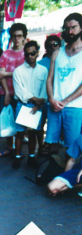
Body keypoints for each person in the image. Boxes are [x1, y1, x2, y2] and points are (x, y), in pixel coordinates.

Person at [46, 13, 82, 158]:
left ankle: (67, 178)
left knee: (71, 146)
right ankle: (51, 173)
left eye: (73, 27)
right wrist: (51, 99)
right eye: (67, 28)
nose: (70, 31)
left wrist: (65, 101)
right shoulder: (57, 53)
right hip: (54, 105)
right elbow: (49, 80)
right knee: (51, 144)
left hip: (75, 107)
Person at [12, 40, 48, 170]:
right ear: (24, 55)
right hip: (22, 105)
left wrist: (38, 105)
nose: (30, 56)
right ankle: (17, 157)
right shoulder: (18, 71)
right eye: (27, 54)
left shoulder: (43, 71)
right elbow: (19, 91)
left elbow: (45, 89)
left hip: (37, 107)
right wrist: (34, 99)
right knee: (20, 133)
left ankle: (31, 157)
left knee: (33, 133)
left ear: (37, 53)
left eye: (32, 53)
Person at [0, 23, 27, 157]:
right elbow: (0, 75)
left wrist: (9, 73)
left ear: (24, 37)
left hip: (23, 94)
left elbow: (25, 74)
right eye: (14, 36)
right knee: (8, 121)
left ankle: (19, 151)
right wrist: (7, 93)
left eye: (19, 36)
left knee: (21, 123)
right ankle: (10, 147)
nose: (16, 39)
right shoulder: (6, 54)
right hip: (8, 92)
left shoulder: (27, 53)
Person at [38, 35, 61, 156]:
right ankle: (41, 146)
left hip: (56, 100)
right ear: (46, 47)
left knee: (55, 128)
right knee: (40, 126)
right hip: (43, 100)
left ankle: (52, 150)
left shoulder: (62, 60)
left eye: (55, 45)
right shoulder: (41, 63)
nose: (52, 47)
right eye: (50, 45)